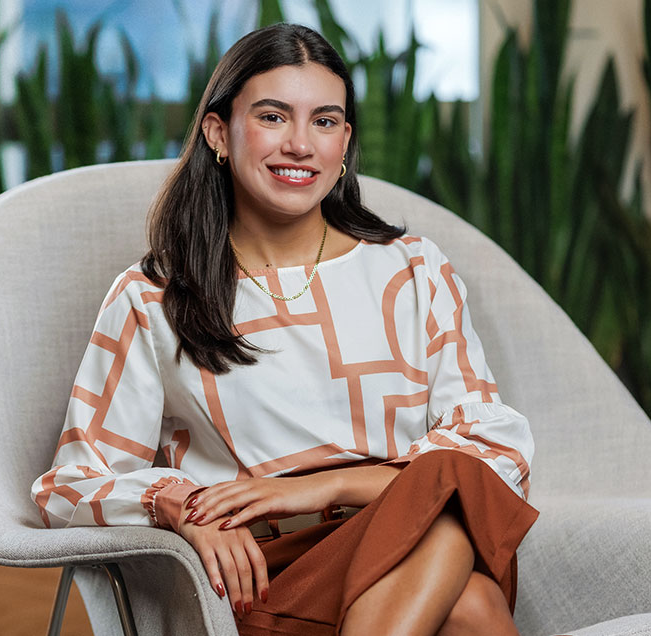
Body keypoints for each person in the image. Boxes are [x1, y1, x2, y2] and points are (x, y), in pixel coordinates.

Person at [32, 23, 537, 636]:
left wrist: (316, 489)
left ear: (345, 141)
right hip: (262, 577)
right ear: (219, 133)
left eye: (324, 122)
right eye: (273, 117)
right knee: (472, 598)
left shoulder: (414, 270)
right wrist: (177, 506)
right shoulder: (154, 298)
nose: (301, 144)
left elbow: (495, 452)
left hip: (413, 529)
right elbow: (71, 483)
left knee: (452, 490)